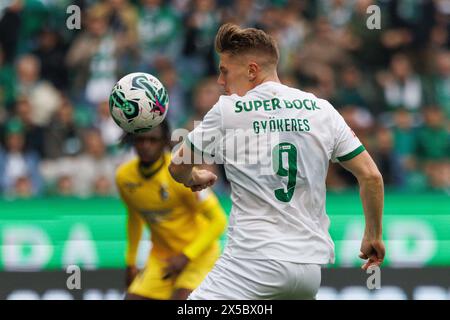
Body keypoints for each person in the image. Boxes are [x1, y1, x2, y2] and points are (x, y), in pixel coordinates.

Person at [169, 23, 385, 300]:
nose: (221, 82)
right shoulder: (322, 110)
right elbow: (371, 176)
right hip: (308, 272)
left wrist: (194, 178)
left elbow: (177, 166)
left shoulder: (228, 111)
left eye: (225, 71)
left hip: (253, 263)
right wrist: (373, 234)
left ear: (251, 70)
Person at [115, 120, 227, 300]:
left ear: (165, 142)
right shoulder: (124, 177)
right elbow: (135, 217)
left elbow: (219, 220)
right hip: (162, 259)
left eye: (153, 140)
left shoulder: (182, 174)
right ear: (132, 140)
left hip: (198, 257)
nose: (146, 146)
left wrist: (185, 257)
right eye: (140, 140)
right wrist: (131, 262)